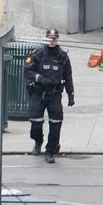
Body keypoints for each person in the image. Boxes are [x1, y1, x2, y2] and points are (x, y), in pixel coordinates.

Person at [24, 28, 74, 164]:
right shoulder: (37, 54)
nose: (52, 41)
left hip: (54, 94)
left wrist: (71, 94)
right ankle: (38, 141)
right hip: (39, 92)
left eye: (54, 38)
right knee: (35, 122)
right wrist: (38, 78)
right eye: (49, 38)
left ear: (57, 39)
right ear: (46, 39)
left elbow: (68, 76)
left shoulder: (63, 56)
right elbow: (27, 71)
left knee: (56, 123)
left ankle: (50, 150)